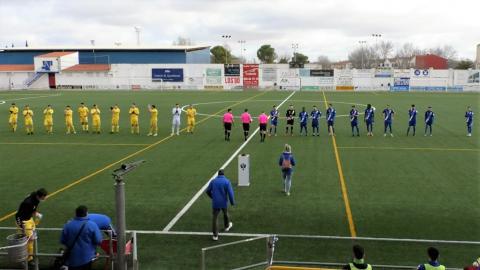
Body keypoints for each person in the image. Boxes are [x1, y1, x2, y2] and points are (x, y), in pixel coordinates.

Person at [61, 205, 102, 270]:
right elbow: (98, 240)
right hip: (86, 258)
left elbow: (63, 240)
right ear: (86, 213)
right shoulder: (92, 225)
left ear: (76, 214)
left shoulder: (67, 225)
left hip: (72, 258)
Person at [15, 188, 48, 263]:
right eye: (45, 196)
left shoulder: (36, 198)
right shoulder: (28, 202)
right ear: (40, 196)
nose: (46, 198)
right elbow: (19, 215)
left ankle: (30, 256)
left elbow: (33, 208)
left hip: (29, 219)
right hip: (24, 222)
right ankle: (27, 259)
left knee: (32, 239)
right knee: (28, 240)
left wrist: (36, 213)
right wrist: (22, 227)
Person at [206, 170, 235, 241]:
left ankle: (215, 235)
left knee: (215, 217)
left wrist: (212, 196)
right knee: (225, 213)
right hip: (223, 202)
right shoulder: (227, 181)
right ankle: (227, 226)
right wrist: (232, 202)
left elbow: (207, 191)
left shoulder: (213, 181)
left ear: (218, 175)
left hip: (215, 202)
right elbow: (230, 193)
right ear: (224, 175)